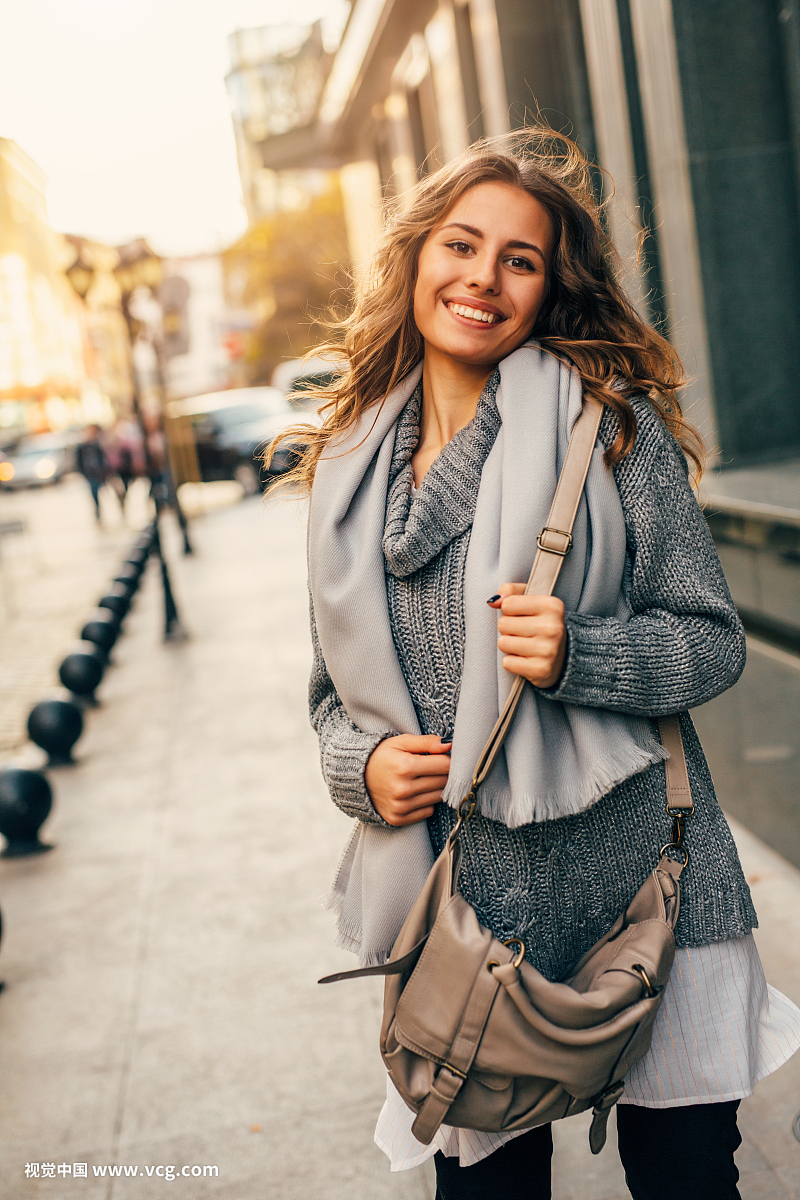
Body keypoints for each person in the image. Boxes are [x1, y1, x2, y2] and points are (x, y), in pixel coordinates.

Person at [284, 129, 800, 1199]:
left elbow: (709, 640)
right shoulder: (347, 468)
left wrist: (584, 653)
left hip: (646, 893)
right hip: (462, 913)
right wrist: (362, 772)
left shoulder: (610, 432)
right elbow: (332, 701)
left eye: (517, 260)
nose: (481, 278)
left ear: (549, 286)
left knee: (689, 1181)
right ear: (416, 256)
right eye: (460, 246)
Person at [75, 424, 108, 521]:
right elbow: (78, 461)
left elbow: (103, 458)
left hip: (99, 474)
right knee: (94, 492)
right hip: (89, 474)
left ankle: (100, 509)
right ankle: (97, 510)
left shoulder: (97, 445)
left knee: (101, 492)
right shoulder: (81, 447)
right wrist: (83, 473)